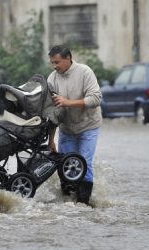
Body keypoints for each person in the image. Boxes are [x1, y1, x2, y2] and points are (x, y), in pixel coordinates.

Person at [47, 45, 102, 205]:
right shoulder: (52, 78)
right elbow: (53, 113)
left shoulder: (85, 72)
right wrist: (51, 140)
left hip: (89, 125)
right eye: (52, 63)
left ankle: (83, 205)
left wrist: (68, 102)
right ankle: (68, 206)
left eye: (57, 62)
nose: (54, 66)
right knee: (66, 167)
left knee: (84, 163)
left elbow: (96, 99)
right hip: (67, 128)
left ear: (68, 58)